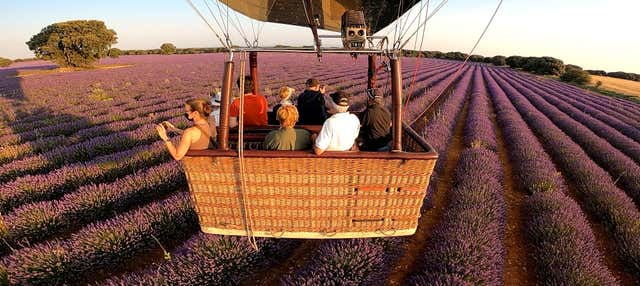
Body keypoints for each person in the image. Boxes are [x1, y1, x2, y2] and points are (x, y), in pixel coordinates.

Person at [312, 91, 360, 155]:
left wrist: (314, 140)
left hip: (330, 161)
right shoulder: (354, 119)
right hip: (347, 158)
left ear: (334, 105)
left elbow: (318, 151)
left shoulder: (330, 122)